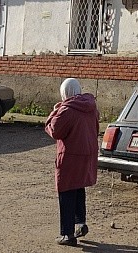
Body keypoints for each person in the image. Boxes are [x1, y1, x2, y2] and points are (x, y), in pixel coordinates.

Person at [45, 78, 100, 246]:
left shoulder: (66, 110)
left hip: (71, 156)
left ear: (64, 92)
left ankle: (67, 234)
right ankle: (80, 223)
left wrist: (55, 111)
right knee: (78, 187)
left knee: (66, 191)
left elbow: (55, 131)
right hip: (87, 154)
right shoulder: (91, 107)